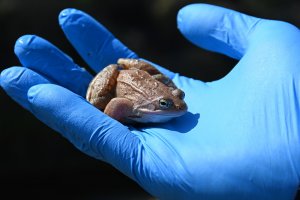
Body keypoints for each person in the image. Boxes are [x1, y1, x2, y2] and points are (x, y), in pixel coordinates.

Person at [1, 3, 299, 199]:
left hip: (146, 84)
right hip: (123, 82)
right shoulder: (134, 106)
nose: (179, 106)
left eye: (177, 98)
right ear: (157, 108)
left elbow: (173, 99)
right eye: (169, 105)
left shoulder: (171, 100)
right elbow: (114, 108)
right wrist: (110, 116)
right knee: (95, 92)